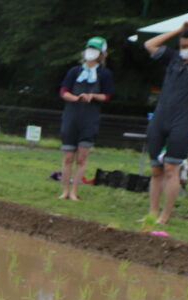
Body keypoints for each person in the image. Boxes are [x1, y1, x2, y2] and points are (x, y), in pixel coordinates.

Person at [143, 22, 188, 224]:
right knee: (156, 169)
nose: (186, 49)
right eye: (183, 45)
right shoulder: (173, 58)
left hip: (183, 121)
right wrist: (177, 31)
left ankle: (165, 215)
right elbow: (150, 44)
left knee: (171, 169)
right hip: (160, 118)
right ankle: (152, 212)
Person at [57, 37, 113, 201]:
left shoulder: (105, 73)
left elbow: (107, 95)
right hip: (71, 116)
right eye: (89, 48)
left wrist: (92, 96)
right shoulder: (74, 71)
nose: (91, 51)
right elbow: (63, 91)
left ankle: (75, 191)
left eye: (95, 49)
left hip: (90, 118)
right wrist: (74, 98)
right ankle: (65, 190)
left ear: (101, 53)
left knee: (82, 158)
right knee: (68, 157)